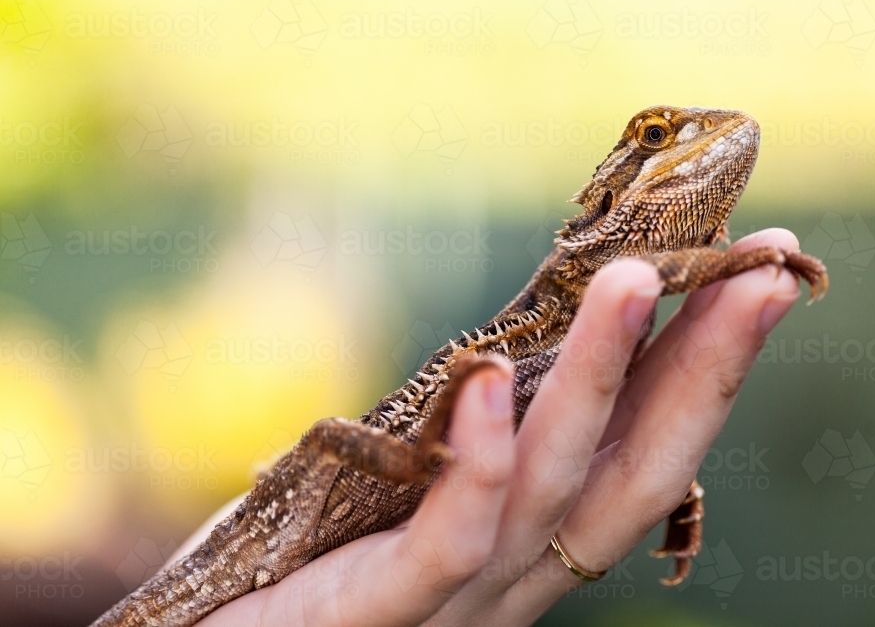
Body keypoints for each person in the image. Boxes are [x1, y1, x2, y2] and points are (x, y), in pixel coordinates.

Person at [183, 229, 804, 627]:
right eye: (656, 137)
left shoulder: (611, 330)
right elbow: (640, 276)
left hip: (336, 510)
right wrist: (731, 263)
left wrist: (675, 489)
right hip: (320, 494)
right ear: (613, 199)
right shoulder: (574, 282)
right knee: (327, 438)